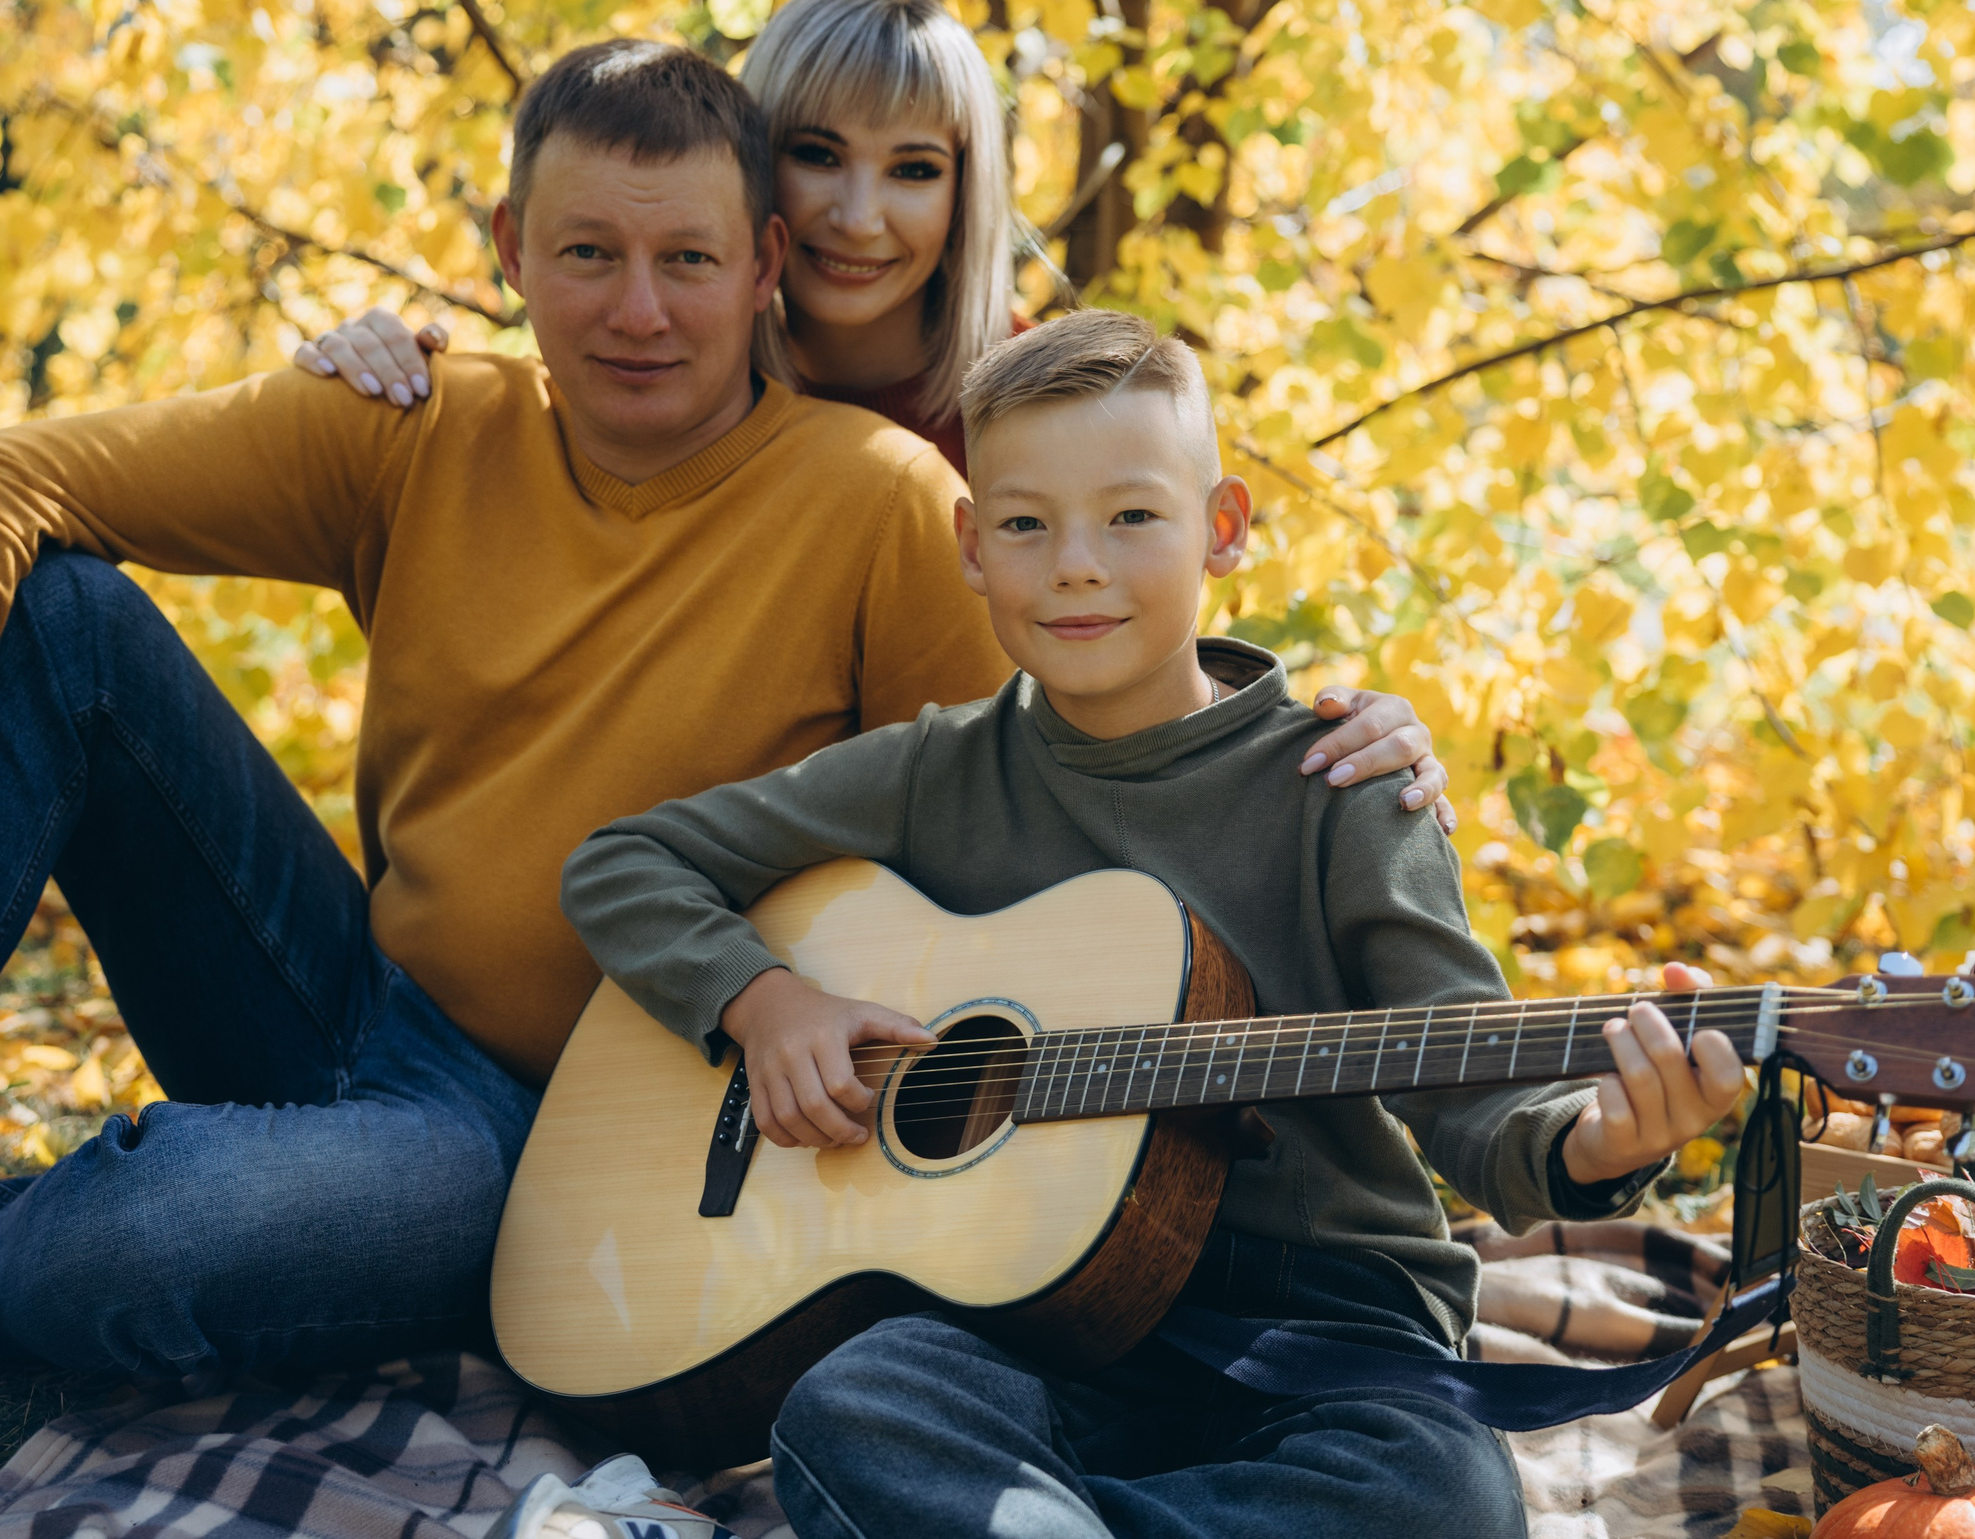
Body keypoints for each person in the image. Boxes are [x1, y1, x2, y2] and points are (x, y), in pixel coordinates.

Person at [0, 44, 1447, 1432]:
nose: (639, 310)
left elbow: (1055, 790)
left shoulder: (878, 507)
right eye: (587, 255)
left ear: (765, 266)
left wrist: (1313, 736)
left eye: (689, 260)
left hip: (577, 1134)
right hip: (339, 978)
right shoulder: (417, 424)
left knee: (158, 1235)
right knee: (63, 622)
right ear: (507, 249)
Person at [549, 311, 1749, 1538]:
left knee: (1444, 1498)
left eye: (1131, 517)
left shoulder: (1346, 787)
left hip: (1325, 1323)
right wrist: (767, 1003)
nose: (1075, 564)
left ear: (1221, 529)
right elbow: (623, 863)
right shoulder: (935, 768)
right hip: (1036, 1322)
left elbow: (1476, 1109)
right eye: (1024, 523)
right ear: (970, 545)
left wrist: (1601, 1142)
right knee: (854, 1400)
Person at [299, 0, 1011, 478]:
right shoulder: (663, 365)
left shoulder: (1053, 403)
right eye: (817, 155)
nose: (859, 219)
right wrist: (372, 360)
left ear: (965, 190)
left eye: (914, 169)